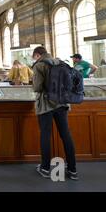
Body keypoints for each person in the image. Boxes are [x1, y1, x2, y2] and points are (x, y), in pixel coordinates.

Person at [32, 46, 78, 180]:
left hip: (46, 105)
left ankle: (45, 168)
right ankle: (72, 169)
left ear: (38, 55)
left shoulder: (39, 65)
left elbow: (37, 87)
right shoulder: (60, 62)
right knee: (66, 135)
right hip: (62, 103)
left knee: (45, 135)